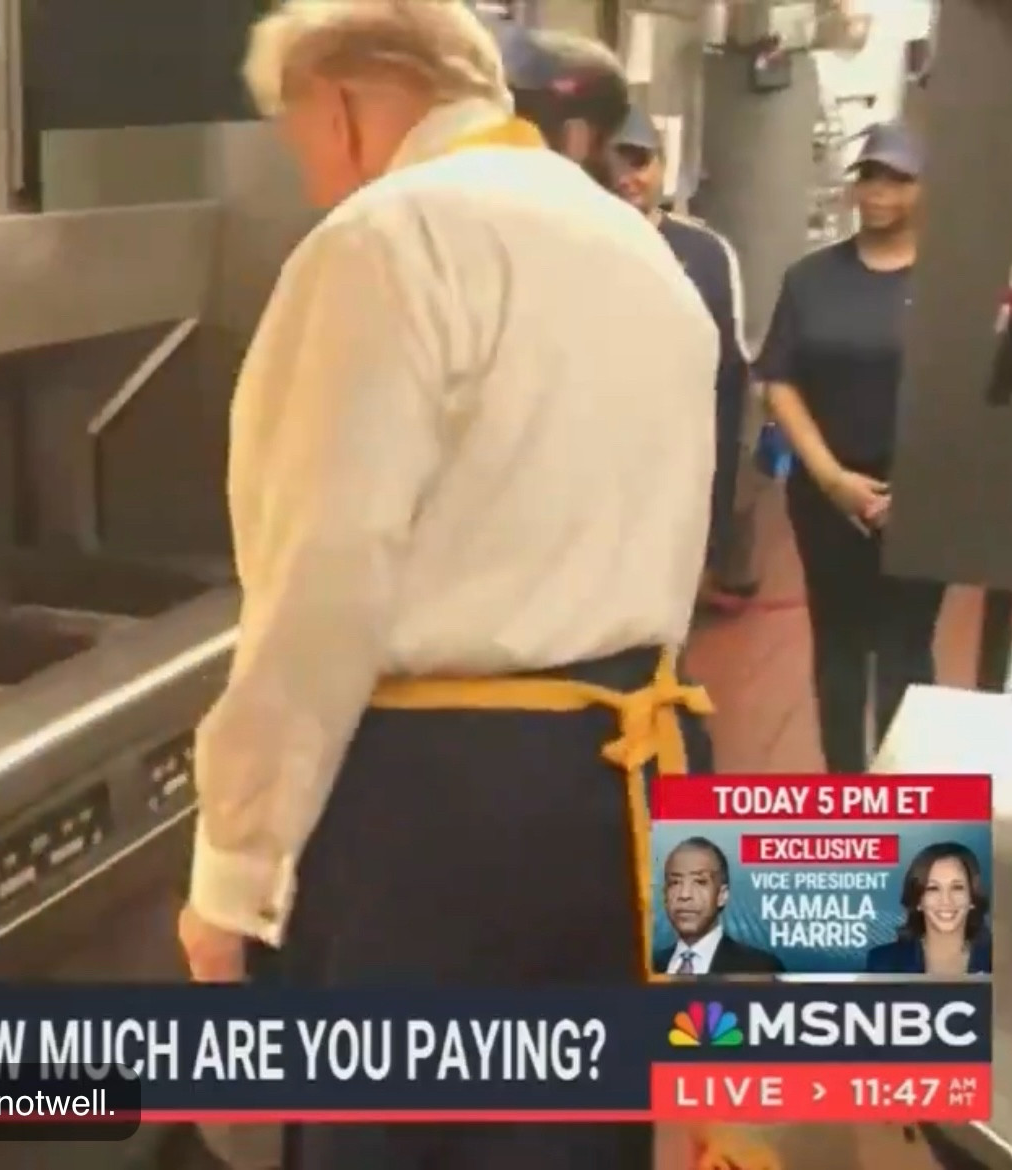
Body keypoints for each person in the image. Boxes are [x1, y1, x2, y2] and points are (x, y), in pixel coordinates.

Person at [176, 6, 717, 1168]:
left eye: (296, 135)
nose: (309, 172)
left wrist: (231, 880)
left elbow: (323, 585)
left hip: (437, 818)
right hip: (626, 789)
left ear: (345, 101)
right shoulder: (641, 249)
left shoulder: (386, 240)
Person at [759, 122, 942, 774]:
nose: (880, 191)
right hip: (826, 494)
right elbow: (779, 380)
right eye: (870, 175)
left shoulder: (950, 287)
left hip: (917, 499)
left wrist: (918, 487)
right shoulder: (811, 279)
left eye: (898, 177)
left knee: (906, 650)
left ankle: (900, 796)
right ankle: (845, 792)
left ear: (923, 189)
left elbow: (968, 391)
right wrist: (832, 478)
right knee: (837, 645)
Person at [611, 110, 757, 614]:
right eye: (612, 163)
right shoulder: (568, 244)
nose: (625, 176)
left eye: (639, 161)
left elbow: (730, 382)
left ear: (662, 166)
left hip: (677, 472)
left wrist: (716, 520)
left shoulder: (708, 253)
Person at [653, 837, 786, 975]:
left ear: (722, 895)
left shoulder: (761, 969)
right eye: (675, 882)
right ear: (664, 894)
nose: (685, 894)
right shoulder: (646, 967)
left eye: (700, 882)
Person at [865, 842, 993, 976]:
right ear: (918, 900)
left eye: (957, 887)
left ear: (972, 897)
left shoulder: (1000, 961)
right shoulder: (883, 963)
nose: (946, 900)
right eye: (933, 888)